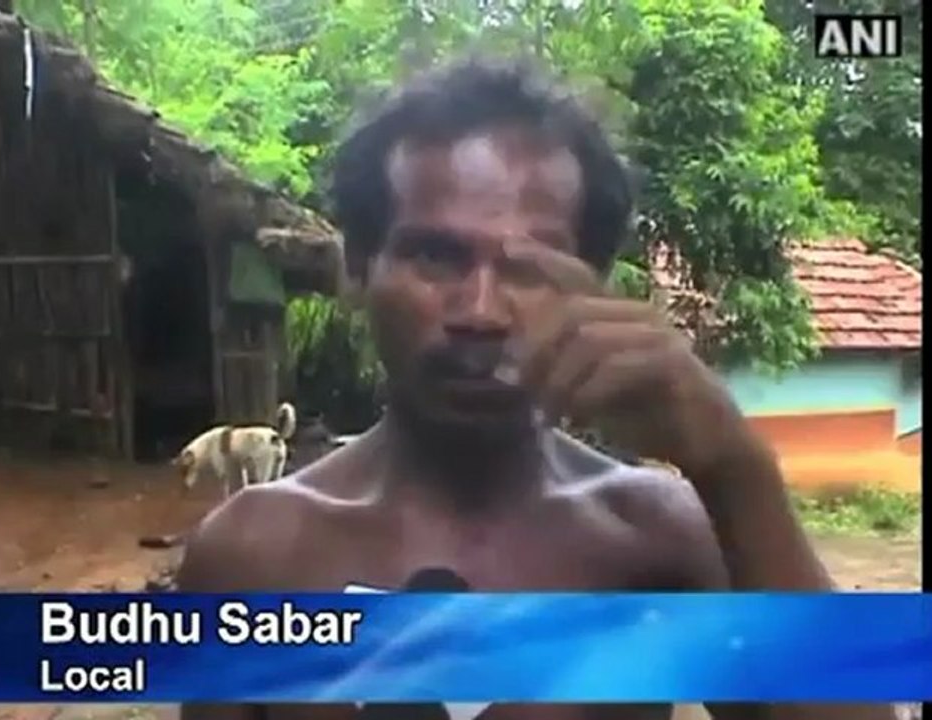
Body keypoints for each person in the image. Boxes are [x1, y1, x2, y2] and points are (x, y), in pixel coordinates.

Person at [177, 57, 895, 720]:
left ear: (596, 291)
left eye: (532, 265)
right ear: (357, 270)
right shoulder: (254, 552)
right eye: (435, 254)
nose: (482, 312)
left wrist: (737, 469)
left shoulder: (657, 533)